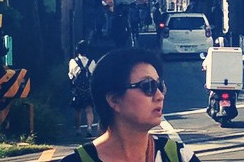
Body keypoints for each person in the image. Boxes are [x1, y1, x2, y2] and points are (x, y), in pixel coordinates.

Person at [61, 47, 200, 162]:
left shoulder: (179, 156)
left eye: (159, 86)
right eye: (148, 86)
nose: (160, 96)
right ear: (114, 100)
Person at [68, 40, 96, 137]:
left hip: (78, 89)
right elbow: (94, 74)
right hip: (88, 89)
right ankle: (89, 128)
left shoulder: (73, 61)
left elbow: (71, 75)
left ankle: (78, 130)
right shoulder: (91, 61)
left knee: (78, 110)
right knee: (89, 109)